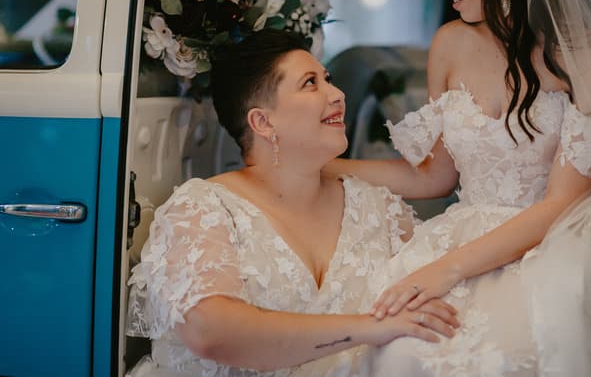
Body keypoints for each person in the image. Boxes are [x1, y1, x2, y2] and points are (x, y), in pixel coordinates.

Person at [325, 0, 591, 376]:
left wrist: (445, 270)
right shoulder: (449, 44)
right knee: (393, 346)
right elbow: (434, 177)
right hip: (455, 237)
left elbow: (565, 200)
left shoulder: (586, 53)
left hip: (547, 246)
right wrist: (326, 167)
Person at [125, 28, 460, 377]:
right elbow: (209, 332)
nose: (338, 94)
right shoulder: (203, 209)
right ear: (263, 121)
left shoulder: (378, 208)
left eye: (328, 79)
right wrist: (367, 328)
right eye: (311, 83)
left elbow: (432, 305)